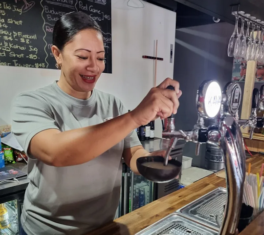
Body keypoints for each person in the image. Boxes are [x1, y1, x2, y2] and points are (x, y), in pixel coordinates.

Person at [12, 12, 182, 235]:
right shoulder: (32, 103)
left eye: (101, 58)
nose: (94, 66)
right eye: (83, 57)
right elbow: (57, 152)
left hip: (103, 228)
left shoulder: (113, 105)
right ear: (57, 54)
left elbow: (132, 153)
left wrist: (152, 162)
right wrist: (135, 117)